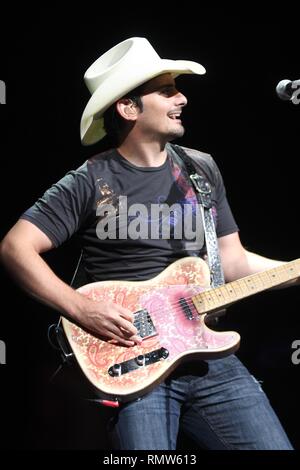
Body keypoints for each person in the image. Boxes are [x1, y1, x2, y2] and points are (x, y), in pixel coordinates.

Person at [0, 37, 297, 450]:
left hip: (206, 353)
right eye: (167, 90)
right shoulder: (89, 180)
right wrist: (80, 308)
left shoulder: (201, 168)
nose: (182, 98)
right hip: (131, 361)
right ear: (128, 107)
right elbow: (16, 248)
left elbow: (232, 261)